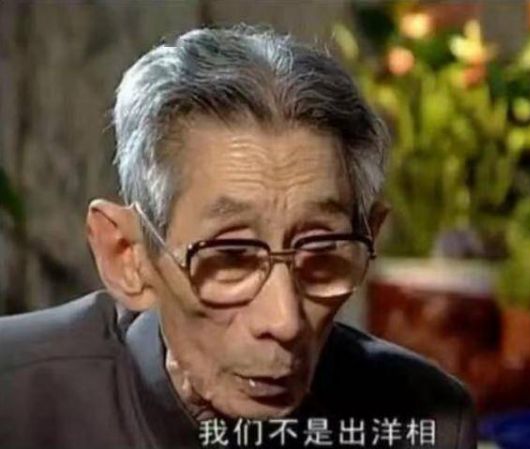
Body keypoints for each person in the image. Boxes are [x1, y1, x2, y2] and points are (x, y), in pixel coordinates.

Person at [0, 26, 476, 449]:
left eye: (319, 251)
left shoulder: (425, 417)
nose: (285, 322)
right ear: (128, 255)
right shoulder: (16, 394)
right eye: (231, 256)